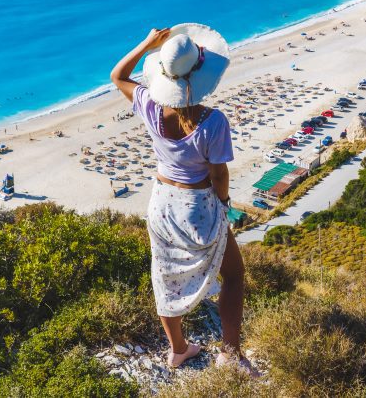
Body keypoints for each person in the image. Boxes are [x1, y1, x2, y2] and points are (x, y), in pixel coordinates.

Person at [110, 24, 257, 375]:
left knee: (164, 277)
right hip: (198, 202)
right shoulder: (212, 122)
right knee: (234, 275)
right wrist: (223, 204)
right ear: (200, 73)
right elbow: (219, 174)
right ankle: (230, 355)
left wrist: (147, 42)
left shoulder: (148, 105)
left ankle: (179, 349)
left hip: (161, 202)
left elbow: (118, 75)